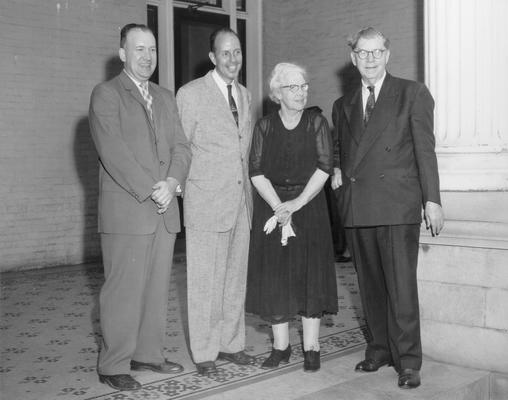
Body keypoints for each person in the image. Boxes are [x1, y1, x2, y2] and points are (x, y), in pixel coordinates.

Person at [331, 27, 444, 389]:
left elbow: (425, 150)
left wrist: (433, 199)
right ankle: (379, 348)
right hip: (359, 206)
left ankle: (408, 360)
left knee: (401, 287)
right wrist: (335, 169)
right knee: (370, 284)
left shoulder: (412, 93)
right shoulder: (342, 104)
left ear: (388, 54)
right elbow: (340, 151)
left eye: (376, 52)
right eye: (363, 53)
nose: (370, 59)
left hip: (396, 206)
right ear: (353, 58)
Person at [89, 23, 191, 391]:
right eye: (139, 49)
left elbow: (182, 147)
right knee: (123, 290)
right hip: (129, 211)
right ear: (123, 54)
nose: (147, 56)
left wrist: (173, 183)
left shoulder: (165, 96)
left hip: (164, 211)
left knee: (155, 289)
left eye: (152, 49)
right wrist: (153, 189)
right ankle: (113, 363)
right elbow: (113, 152)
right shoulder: (106, 94)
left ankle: (148, 354)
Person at [246, 62, 338, 373]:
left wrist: (296, 204)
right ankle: (280, 347)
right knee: (276, 277)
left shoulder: (316, 123)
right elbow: (256, 170)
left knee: (308, 275)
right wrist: (278, 206)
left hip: (309, 207)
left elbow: (325, 166)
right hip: (273, 206)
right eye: (292, 87)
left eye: (303, 86)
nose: (300, 93)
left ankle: (311, 346)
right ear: (277, 94)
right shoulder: (265, 126)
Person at [175, 27, 255, 376]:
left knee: (235, 278)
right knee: (205, 281)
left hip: (241, 201)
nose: (233, 59)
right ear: (212, 57)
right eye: (226, 53)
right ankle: (205, 351)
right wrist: (180, 190)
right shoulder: (191, 94)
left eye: (237, 52)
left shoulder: (246, 96)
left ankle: (231, 343)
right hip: (206, 200)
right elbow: (179, 148)